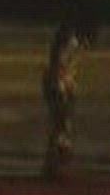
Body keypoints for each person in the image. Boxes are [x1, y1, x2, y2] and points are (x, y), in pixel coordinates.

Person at [41, 18, 95, 179]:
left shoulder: (66, 43)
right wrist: (65, 85)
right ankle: (56, 162)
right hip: (59, 84)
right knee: (62, 123)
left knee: (59, 124)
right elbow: (61, 65)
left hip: (58, 83)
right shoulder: (69, 43)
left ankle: (53, 162)